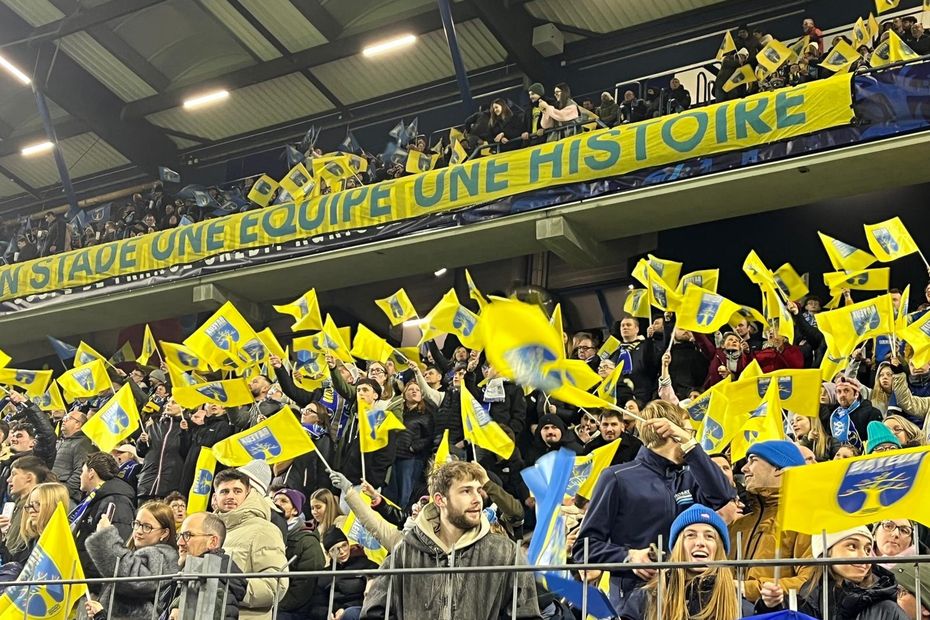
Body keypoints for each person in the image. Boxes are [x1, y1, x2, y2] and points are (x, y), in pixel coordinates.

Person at [572, 400, 733, 610]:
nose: (690, 438)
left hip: (689, 595)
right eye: (688, 432)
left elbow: (723, 496)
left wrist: (691, 446)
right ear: (669, 433)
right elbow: (584, 549)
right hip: (635, 596)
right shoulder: (617, 477)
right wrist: (629, 557)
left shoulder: (689, 477)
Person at [361, 460, 541, 618]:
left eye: (478, 491)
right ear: (440, 500)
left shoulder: (504, 553)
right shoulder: (406, 552)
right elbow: (374, 611)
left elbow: (526, 613)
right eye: (466, 491)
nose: (477, 499)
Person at [621, 504, 754, 619]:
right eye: (690, 535)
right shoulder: (646, 598)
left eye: (709, 536)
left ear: (719, 549)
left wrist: (769, 608)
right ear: (678, 546)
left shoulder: (739, 606)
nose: (700, 543)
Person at [758, 527, 908, 619]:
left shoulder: (888, 610)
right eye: (852, 546)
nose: (864, 556)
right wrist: (770, 606)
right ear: (826, 553)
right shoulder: (799, 605)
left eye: (868, 549)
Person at [729, 440, 813, 603]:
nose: (744, 468)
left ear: (779, 469)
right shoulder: (737, 525)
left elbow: (809, 582)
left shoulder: (805, 520)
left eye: (753, 461)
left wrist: (748, 589)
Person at [213, 466, 289, 619]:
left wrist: (239, 589)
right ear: (215, 497)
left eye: (237, 491)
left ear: (248, 493)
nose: (230, 496)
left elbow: (276, 585)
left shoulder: (265, 530)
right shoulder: (207, 529)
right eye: (224, 491)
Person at [83, 501, 179, 620]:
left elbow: (132, 580)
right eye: (137, 524)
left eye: (147, 527)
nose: (139, 531)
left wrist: (105, 536)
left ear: (164, 532)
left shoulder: (161, 556)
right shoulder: (140, 554)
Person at [167, 512, 247, 620]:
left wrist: (181, 604)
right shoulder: (217, 573)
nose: (179, 542)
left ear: (213, 542)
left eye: (188, 535)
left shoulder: (214, 578)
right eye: (179, 536)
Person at [73, 452, 137, 584]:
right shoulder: (97, 498)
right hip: (86, 579)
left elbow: (116, 547)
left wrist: (95, 579)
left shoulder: (116, 501)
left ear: (91, 473)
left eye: (82, 471)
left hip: (95, 583)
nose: (80, 476)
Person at [272, 489, 325, 619]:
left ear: (295, 510)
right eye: (275, 500)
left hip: (294, 610)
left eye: (284, 501)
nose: (278, 504)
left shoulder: (307, 541)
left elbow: (304, 587)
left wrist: (275, 605)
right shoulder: (269, 533)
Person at [310, 528, 378, 619]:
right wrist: (328, 614)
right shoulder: (324, 575)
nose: (342, 552)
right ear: (328, 554)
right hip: (334, 615)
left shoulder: (367, 565)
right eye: (335, 550)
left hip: (361, 610)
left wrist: (344, 609)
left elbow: (374, 597)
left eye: (344, 545)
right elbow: (316, 605)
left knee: (349, 614)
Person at [386, 380, 435, 508]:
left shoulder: (426, 415)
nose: (414, 391)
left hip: (412, 459)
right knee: (392, 493)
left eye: (417, 390)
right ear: (404, 394)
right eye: (410, 389)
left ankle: (403, 520)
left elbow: (431, 437)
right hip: (394, 456)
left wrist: (414, 447)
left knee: (406, 495)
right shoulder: (399, 412)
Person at [1, 456, 53, 564]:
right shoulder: (18, 505)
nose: (8, 480)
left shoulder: (34, 510)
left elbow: (15, 556)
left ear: (29, 477)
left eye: (14, 474)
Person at [137, 397, 185, 501]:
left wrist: (186, 432)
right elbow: (141, 452)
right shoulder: (153, 424)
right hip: (147, 483)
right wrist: (141, 442)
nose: (169, 404)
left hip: (170, 485)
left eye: (174, 402)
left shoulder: (186, 427)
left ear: (184, 408)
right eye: (168, 402)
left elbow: (186, 452)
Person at [822, 376, 883, 450]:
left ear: (856, 394)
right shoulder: (832, 415)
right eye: (839, 391)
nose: (842, 395)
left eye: (846, 390)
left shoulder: (872, 413)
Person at [53, 410, 93, 503]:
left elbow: (81, 471)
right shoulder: (60, 442)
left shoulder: (83, 443)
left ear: (78, 424)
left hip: (66, 497)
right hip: (53, 491)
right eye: (64, 418)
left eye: (68, 418)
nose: (63, 420)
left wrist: (63, 491)